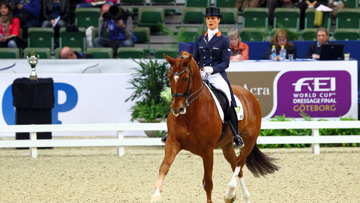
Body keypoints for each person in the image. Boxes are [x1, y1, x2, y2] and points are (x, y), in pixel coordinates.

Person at [195, 7, 244, 148]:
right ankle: (171, 131)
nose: (210, 21)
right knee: (182, 94)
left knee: (228, 99)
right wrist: (198, 70)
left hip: (216, 75)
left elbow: (226, 63)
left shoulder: (223, 40)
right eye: (208, 18)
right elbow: (195, 59)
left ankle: (236, 135)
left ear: (218, 20)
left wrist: (213, 69)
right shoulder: (199, 39)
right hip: (201, 74)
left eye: (213, 19)